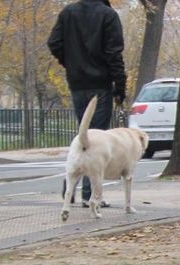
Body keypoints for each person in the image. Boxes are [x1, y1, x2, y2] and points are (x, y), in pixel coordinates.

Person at [48, 0, 127, 208]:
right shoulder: (108, 15)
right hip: (100, 84)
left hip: (77, 83)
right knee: (96, 140)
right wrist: (120, 87)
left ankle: (71, 186)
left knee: (83, 135)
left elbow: (54, 43)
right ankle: (90, 195)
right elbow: (114, 54)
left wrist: (71, 62)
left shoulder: (68, 13)